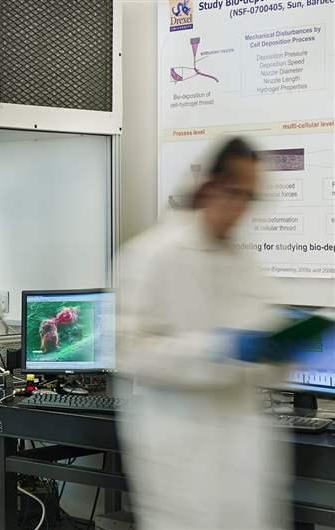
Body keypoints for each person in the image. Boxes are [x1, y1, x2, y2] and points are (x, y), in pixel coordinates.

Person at [117, 138, 300, 529]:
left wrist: (282, 349)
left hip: (240, 443)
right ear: (212, 186)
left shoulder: (244, 263)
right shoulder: (152, 254)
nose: (243, 208)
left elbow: (268, 341)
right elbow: (130, 351)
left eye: (251, 198)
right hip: (180, 442)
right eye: (238, 194)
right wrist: (219, 348)